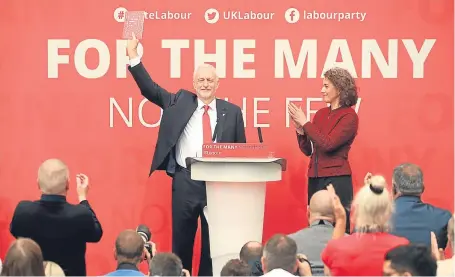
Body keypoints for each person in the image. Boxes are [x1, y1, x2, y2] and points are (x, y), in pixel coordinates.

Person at [126, 33, 246, 276]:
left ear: (217, 83)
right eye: (200, 79)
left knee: (214, 244)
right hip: (186, 181)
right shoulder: (179, 101)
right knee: (182, 241)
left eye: (209, 80)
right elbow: (150, 89)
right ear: (194, 82)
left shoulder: (232, 112)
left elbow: (240, 152)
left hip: (218, 185)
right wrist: (133, 57)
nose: (204, 84)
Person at [288, 67, 359, 233]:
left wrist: (306, 124)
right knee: (315, 228)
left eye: (326, 86)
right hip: (315, 177)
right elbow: (308, 150)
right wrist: (300, 131)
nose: (322, 90)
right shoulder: (320, 114)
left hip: (337, 179)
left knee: (339, 227)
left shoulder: (349, 116)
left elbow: (328, 144)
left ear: (339, 88)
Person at [9, 159, 103, 276]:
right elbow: (96, 233)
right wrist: (83, 198)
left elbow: (14, 230)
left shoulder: (23, 211)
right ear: (68, 184)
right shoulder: (81, 214)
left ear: (38, 183)